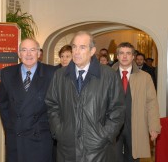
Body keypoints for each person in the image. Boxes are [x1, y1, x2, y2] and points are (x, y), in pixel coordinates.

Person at [45, 31, 125, 162]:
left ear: (92, 51)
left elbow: (118, 110)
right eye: (74, 47)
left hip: (99, 150)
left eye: (82, 47)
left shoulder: (109, 75)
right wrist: (59, 131)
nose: (76, 51)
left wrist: (104, 136)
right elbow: (52, 105)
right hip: (67, 148)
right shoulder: (60, 75)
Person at [0, 38, 56, 162]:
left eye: (32, 50)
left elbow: (57, 106)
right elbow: (3, 104)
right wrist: (11, 128)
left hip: (41, 138)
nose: (28, 54)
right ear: (19, 54)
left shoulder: (52, 73)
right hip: (16, 138)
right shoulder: (7, 73)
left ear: (39, 53)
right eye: (24, 50)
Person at [112, 42, 161, 162]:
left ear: (133, 56)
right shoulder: (107, 75)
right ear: (117, 56)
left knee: (133, 158)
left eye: (128, 53)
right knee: (112, 158)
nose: (124, 56)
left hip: (135, 124)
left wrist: (154, 126)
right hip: (112, 125)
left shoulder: (145, 77)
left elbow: (152, 103)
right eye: (121, 53)